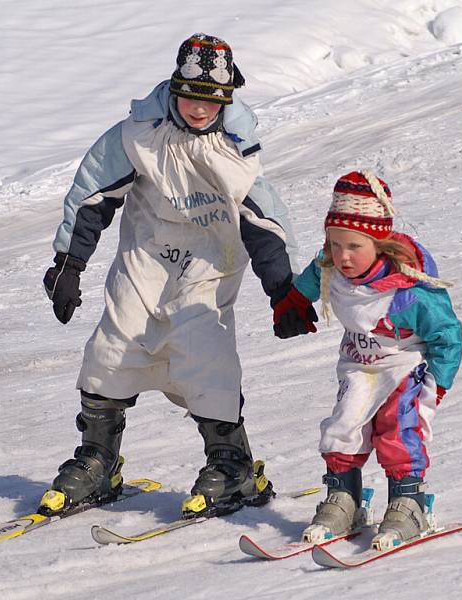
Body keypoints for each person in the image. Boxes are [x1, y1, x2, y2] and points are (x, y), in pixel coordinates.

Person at [39, 33, 307, 518]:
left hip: (208, 261)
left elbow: (265, 222)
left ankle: (233, 467)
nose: (199, 109)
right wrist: (69, 263)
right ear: (174, 87)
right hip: (145, 257)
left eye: (211, 100)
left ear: (226, 98)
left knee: (204, 354)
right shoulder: (138, 134)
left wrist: (283, 289)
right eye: (189, 96)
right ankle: (99, 460)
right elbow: (91, 194)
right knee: (111, 347)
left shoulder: (235, 149)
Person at [272, 170, 462, 548]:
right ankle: (346, 499)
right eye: (335, 244)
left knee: (398, 429)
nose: (342, 256)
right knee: (343, 425)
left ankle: (409, 502)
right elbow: (309, 280)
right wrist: (291, 303)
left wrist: (436, 384)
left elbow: (448, 335)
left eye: (354, 246)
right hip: (359, 364)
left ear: (379, 244)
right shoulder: (330, 267)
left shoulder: (409, 292)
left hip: (405, 366)